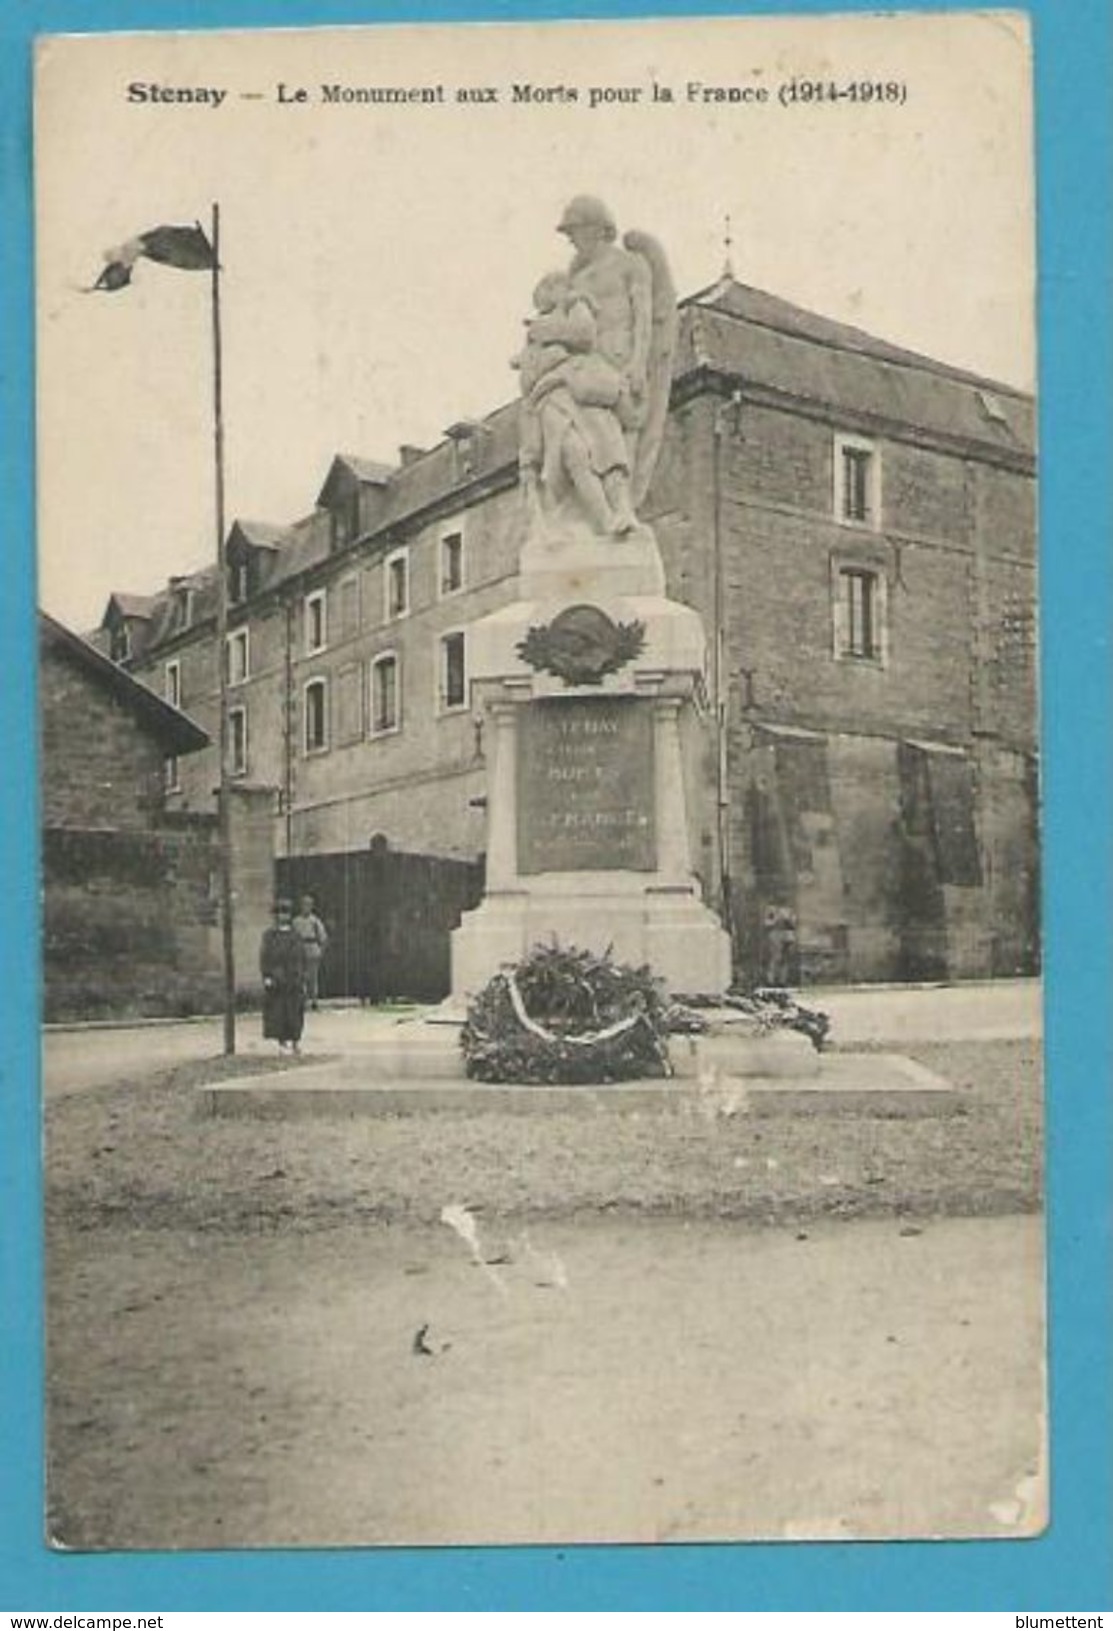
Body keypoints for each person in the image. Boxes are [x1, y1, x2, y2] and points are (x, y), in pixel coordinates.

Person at [512, 270, 631, 535]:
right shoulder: (536, 330)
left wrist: (546, 335)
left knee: (607, 449)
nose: (540, 301)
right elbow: (528, 377)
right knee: (572, 451)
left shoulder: (575, 304)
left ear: (556, 289)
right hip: (550, 400)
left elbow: (585, 334)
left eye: (543, 293)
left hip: (583, 393)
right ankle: (606, 520)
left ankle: (621, 513)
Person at [260, 898, 307, 1053]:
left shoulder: (296, 936)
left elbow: (301, 957)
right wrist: (267, 975)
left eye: (285, 913)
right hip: (277, 978)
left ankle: (295, 1041)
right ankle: (282, 1042)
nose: (282, 916)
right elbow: (265, 956)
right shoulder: (269, 936)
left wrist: (301, 977)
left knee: (294, 1011)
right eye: (279, 913)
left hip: (293, 979)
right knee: (278, 1012)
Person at [292, 893, 329, 1010]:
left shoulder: (315, 921)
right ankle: (301, 1000)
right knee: (300, 976)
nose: (306, 907)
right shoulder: (296, 921)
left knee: (313, 977)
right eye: (304, 904)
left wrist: (321, 951)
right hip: (300, 949)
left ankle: (314, 1000)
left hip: (312, 949)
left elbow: (323, 938)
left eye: (308, 905)